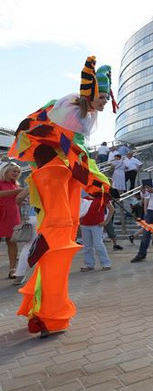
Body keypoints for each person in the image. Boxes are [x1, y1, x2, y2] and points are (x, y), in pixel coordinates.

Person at [8, 56, 114, 336]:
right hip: (55, 174)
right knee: (57, 239)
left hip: (60, 176)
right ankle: (50, 315)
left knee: (58, 241)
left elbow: (80, 158)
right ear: (89, 94)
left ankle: (44, 311)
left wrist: (100, 184)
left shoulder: (84, 115)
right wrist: (101, 184)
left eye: (106, 97)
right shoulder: (71, 111)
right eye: (102, 96)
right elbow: (75, 155)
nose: (105, 102)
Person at [0, 163, 24, 278]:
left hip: (13, 214)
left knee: (12, 241)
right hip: (2, 214)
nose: (16, 174)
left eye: (18, 172)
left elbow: (17, 201)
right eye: (13, 171)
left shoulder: (16, 184)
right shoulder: (2, 183)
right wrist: (17, 191)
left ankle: (12, 269)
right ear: (5, 171)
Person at [79, 191, 113, 272]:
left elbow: (111, 209)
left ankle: (106, 264)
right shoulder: (84, 199)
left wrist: (106, 222)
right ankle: (89, 265)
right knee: (87, 246)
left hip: (97, 225)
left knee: (98, 244)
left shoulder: (102, 198)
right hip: (84, 224)